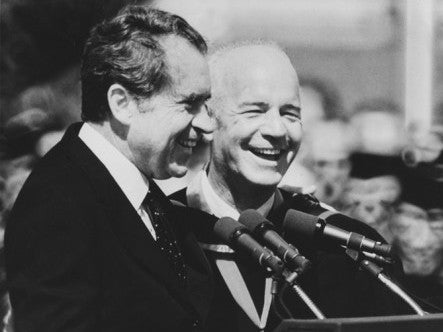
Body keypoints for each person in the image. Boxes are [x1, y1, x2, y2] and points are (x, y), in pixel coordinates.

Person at [170, 42, 412, 332]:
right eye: (254, 111)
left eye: (290, 113)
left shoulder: (343, 249)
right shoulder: (163, 232)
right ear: (208, 117)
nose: (277, 130)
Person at [5, 6, 215, 332]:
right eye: (190, 104)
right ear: (123, 103)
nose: (206, 125)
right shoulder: (58, 204)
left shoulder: (146, 199)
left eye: (206, 106)